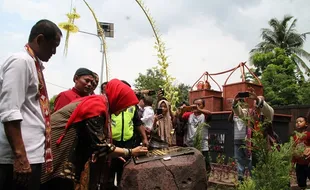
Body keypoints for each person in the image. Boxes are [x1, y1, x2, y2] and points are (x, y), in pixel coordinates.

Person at [40, 79, 148, 190]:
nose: (125, 110)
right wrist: (131, 152)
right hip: (58, 148)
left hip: (64, 148)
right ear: (118, 99)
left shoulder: (101, 104)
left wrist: (117, 152)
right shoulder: (97, 106)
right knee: (54, 183)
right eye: (125, 105)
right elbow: (100, 146)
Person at [0, 19, 62, 190]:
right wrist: (20, 157)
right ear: (40, 40)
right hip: (17, 159)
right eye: (53, 46)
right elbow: (9, 110)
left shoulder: (34, 65)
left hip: (31, 155)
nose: (54, 52)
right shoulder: (21, 61)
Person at [107, 80, 148, 188]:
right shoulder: (110, 105)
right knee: (109, 172)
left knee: (124, 170)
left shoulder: (132, 107)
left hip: (128, 142)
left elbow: (138, 123)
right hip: (111, 142)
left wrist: (144, 138)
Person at [182, 98, 212, 174]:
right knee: (190, 163)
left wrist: (199, 109)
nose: (196, 106)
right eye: (195, 104)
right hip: (190, 143)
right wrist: (183, 109)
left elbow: (210, 114)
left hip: (202, 144)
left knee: (206, 163)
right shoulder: (189, 115)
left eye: (199, 104)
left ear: (203, 106)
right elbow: (181, 116)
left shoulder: (204, 115)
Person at [230, 96, 252, 182]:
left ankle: (253, 179)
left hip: (246, 140)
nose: (240, 104)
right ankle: (240, 181)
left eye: (241, 102)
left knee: (249, 160)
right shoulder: (235, 114)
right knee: (239, 161)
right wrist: (232, 111)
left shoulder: (247, 112)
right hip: (237, 140)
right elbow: (230, 120)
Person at [292, 116, 310, 190]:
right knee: (301, 182)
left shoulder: (308, 135)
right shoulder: (295, 137)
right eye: (296, 122)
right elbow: (293, 149)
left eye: (300, 121)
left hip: (308, 163)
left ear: (306, 124)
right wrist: (292, 163)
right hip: (299, 164)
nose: (298, 123)